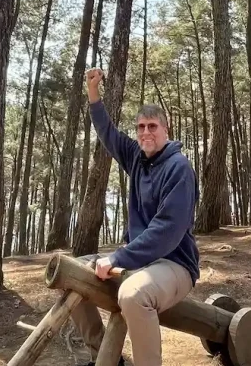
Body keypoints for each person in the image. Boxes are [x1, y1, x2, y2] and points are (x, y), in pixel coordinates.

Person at [71, 67, 200, 366]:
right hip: (140, 262)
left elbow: (168, 230)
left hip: (175, 265)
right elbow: (108, 132)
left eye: (152, 126)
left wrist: (118, 258)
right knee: (72, 274)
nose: (145, 132)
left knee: (132, 295)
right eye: (141, 127)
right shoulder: (137, 157)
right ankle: (105, 357)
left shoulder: (179, 168)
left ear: (166, 130)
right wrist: (93, 93)